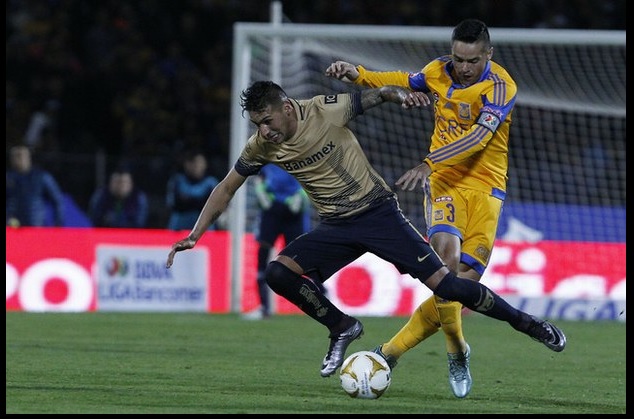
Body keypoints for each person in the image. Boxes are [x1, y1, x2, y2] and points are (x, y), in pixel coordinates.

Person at [165, 80, 565, 381]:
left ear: (286, 107)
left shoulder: (322, 110)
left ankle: (529, 324)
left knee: (447, 286)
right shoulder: (261, 146)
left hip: (377, 213)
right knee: (278, 273)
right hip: (336, 227)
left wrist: (395, 93)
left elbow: (369, 98)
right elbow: (227, 186)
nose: (265, 131)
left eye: (267, 121)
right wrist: (197, 233)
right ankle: (342, 327)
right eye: (258, 125)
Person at [324, 18, 517, 397]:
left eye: (472, 60)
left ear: (488, 55)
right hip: (444, 184)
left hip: (487, 190)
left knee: (461, 288)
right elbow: (403, 79)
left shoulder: (501, 86)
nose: (462, 67)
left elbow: (479, 136)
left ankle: (404, 350)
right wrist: (359, 74)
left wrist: (428, 161)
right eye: (459, 58)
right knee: (445, 268)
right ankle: (449, 351)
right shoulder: (437, 70)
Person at [243, 163, 313, 320]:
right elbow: (259, 178)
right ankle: (263, 308)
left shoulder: (301, 151)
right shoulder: (267, 153)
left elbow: (311, 179)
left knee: (301, 259)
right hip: (271, 209)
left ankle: (320, 302)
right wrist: (260, 190)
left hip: (294, 209)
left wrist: (302, 195)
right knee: (263, 254)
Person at [6, 144, 65, 227]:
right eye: (15, 156)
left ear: (28, 157)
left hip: (35, 225)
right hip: (12, 226)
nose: (19, 159)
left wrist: (58, 223)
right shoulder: (8, 177)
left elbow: (57, 200)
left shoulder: (41, 176)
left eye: (22, 155)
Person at [166, 150, 220, 231]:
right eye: (193, 163)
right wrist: (200, 202)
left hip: (205, 229)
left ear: (205, 164)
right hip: (179, 227)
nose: (196, 166)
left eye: (200, 163)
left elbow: (215, 207)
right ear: (186, 164)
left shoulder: (211, 183)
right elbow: (175, 204)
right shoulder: (178, 181)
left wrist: (188, 200)